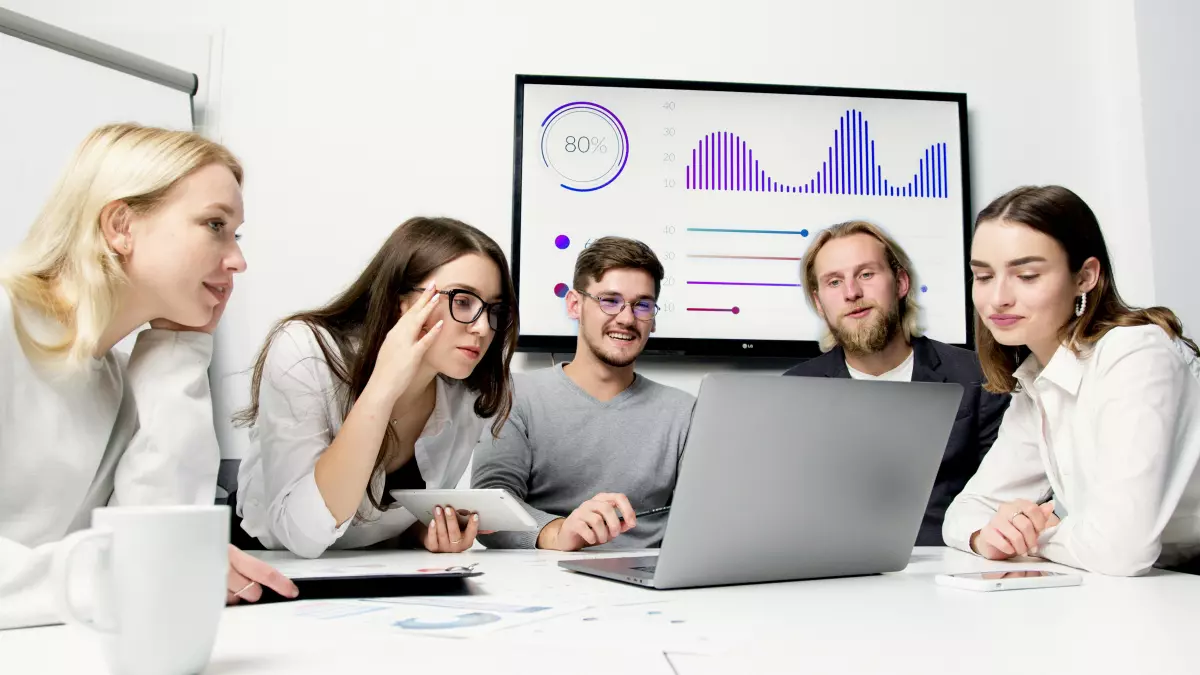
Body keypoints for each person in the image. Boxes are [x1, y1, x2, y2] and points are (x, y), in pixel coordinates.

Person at [0, 124, 296, 630]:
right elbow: (149, 570)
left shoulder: (116, 378)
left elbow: (158, 538)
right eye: (213, 225)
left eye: (236, 233)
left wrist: (178, 347)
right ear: (121, 225)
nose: (238, 260)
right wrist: (142, 573)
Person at [943, 185, 1200, 576]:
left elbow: (1120, 549)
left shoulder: (1136, 353)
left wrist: (1038, 535)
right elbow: (966, 512)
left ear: (1085, 276)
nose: (997, 298)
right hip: (1155, 586)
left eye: (1027, 275)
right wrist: (988, 533)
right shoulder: (1038, 380)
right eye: (982, 276)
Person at [233, 217, 518, 558]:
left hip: (373, 573)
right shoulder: (305, 350)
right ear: (403, 302)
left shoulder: (466, 397)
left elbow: (375, 522)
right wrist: (384, 386)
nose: (484, 328)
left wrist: (421, 531)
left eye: (494, 309)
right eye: (462, 301)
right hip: (271, 566)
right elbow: (303, 535)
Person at [783, 220, 1009, 545]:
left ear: (901, 282)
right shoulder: (794, 392)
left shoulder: (977, 376)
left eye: (866, 274)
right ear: (819, 304)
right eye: (834, 282)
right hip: (835, 576)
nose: (852, 293)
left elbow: (1006, 497)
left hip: (948, 565)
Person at [472, 236, 694, 551]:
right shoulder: (515, 396)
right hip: (546, 577)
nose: (627, 318)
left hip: (653, 580)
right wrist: (558, 533)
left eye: (642, 304)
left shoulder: (685, 412)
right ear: (574, 304)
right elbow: (490, 508)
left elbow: (705, 514)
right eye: (610, 300)